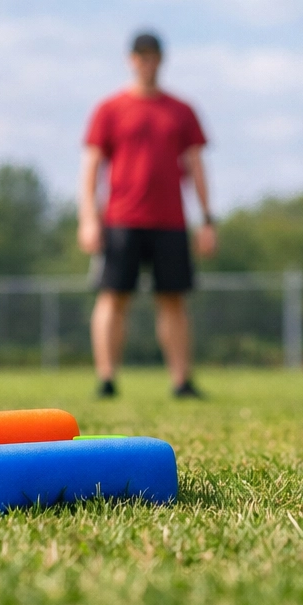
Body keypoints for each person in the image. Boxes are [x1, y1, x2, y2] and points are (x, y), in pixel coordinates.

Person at [79, 31, 216, 399]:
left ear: (161, 60)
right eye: (140, 56)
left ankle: (181, 381)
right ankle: (106, 379)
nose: (146, 62)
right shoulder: (109, 109)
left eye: (152, 56)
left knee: (173, 300)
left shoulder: (181, 111)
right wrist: (88, 218)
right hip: (121, 219)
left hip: (170, 221)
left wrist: (207, 219)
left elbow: (196, 165)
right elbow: (92, 165)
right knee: (112, 297)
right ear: (131, 60)